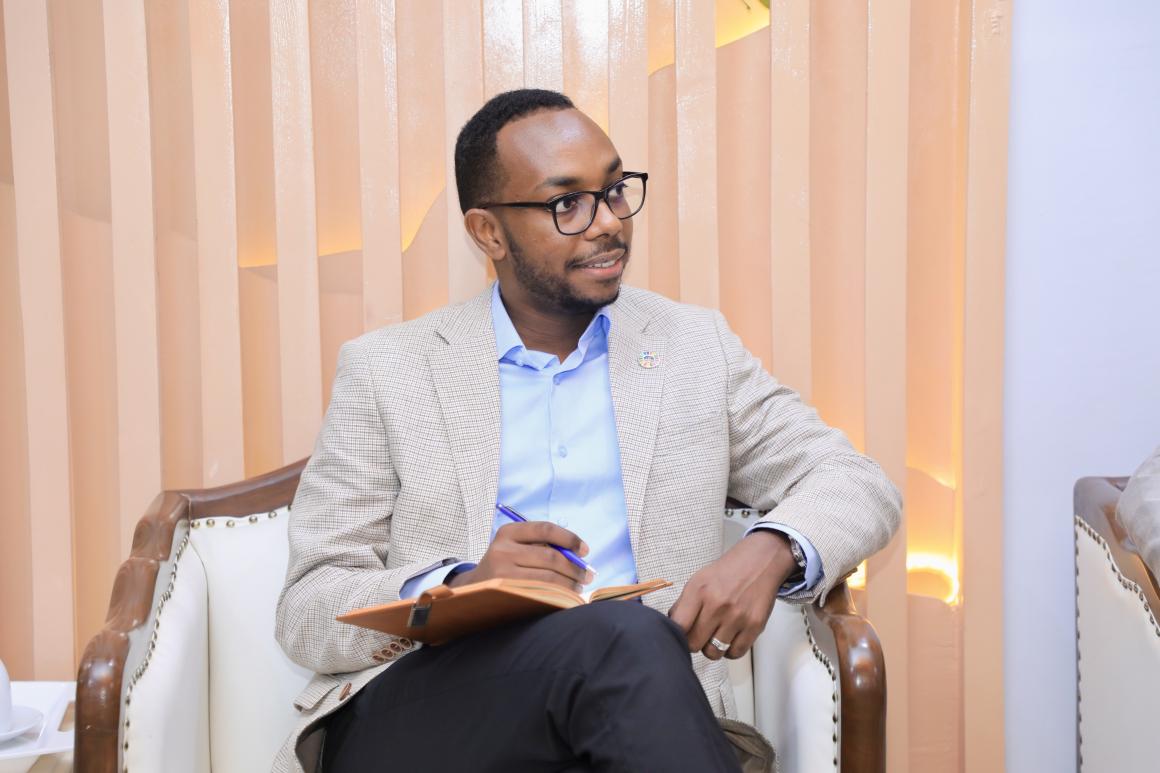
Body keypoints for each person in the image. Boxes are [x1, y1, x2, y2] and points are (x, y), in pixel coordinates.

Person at [273, 89, 901, 773]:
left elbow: (856, 481)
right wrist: (462, 585)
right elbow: (308, 607)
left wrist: (770, 548)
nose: (608, 223)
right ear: (488, 232)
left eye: (615, 191)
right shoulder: (388, 369)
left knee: (626, 644)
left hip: (633, 715)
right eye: (567, 203)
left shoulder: (694, 348)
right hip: (432, 715)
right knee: (625, 637)